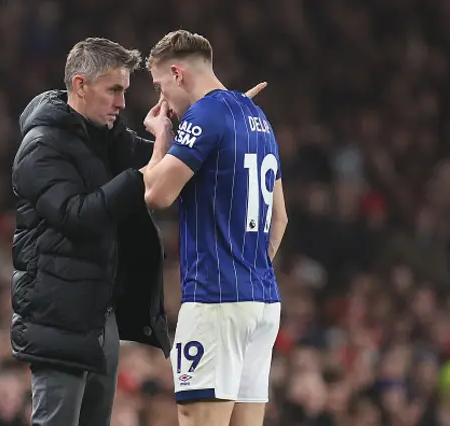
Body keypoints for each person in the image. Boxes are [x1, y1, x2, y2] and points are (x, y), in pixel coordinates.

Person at [10, 37, 171, 426]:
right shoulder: (42, 146)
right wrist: (142, 177)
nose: (121, 103)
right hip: (59, 315)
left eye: (125, 91)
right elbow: (78, 216)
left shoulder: (105, 137)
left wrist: (218, 115)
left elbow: (164, 159)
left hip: (102, 315)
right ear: (80, 85)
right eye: (113, 90)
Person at [140, 30, 289, 426]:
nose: (161, 101)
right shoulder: (257, 118)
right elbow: (280, 219)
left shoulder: (206, 115)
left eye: (159, 87)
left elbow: (156, 193)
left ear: (177, 73)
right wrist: (247, 270)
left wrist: (162, 137)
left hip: (216, 301)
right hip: (261, 301)